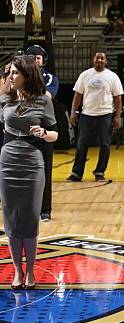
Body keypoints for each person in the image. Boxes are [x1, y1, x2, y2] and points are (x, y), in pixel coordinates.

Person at [0, 55, 58, 289]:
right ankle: (17, 271)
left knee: (30, 217)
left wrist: (43, 133)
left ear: (27, 74)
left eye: (15, 72)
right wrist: (5, 80)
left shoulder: (44, 99)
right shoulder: (4, 98)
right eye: (9, 73)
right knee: (11, 218)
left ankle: (31, 271)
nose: (10, 76)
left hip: (33, 161)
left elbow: (56, 134)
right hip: (8, 160)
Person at [67, 52, 123, 182]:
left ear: (106, 61)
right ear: (93, 60)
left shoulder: (112, 76)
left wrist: (117, 116)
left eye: (102, 58)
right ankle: (76, 173)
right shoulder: (85, 75)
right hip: (87, 114)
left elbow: (118, 97)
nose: (99, 60)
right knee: (81, 144)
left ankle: (99, 172)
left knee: (105, 144)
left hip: (106, 115)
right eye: (97, 57)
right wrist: (73, 112)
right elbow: (78, 95)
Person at [25, 45, 58, 222]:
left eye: (38, 57)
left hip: (44, 127)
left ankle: (45, 209)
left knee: (44, 171)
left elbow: (47, 96)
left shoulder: (50, 78)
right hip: (23, 128)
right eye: (32, 57)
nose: (36, 60)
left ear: (43, 60)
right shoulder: (17, 75)